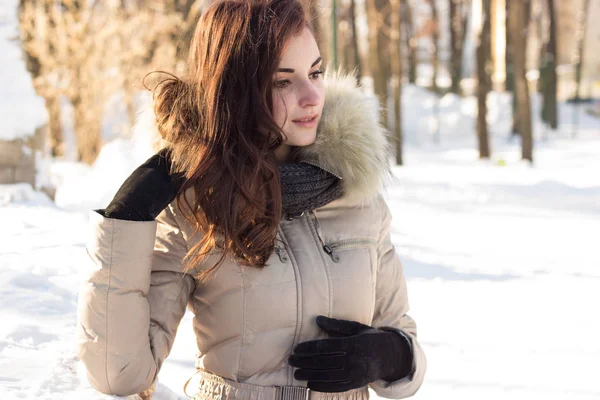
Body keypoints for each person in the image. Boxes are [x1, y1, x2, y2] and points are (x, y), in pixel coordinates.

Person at [76, 0, 426, 399]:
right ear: (235, 90)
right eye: (282, 80)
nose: (312, 96)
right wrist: (126, 219)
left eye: (315, 72)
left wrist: (391, 354)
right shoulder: (194, 207)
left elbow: (405, 356)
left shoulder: (356, 196)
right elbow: (119, 374)